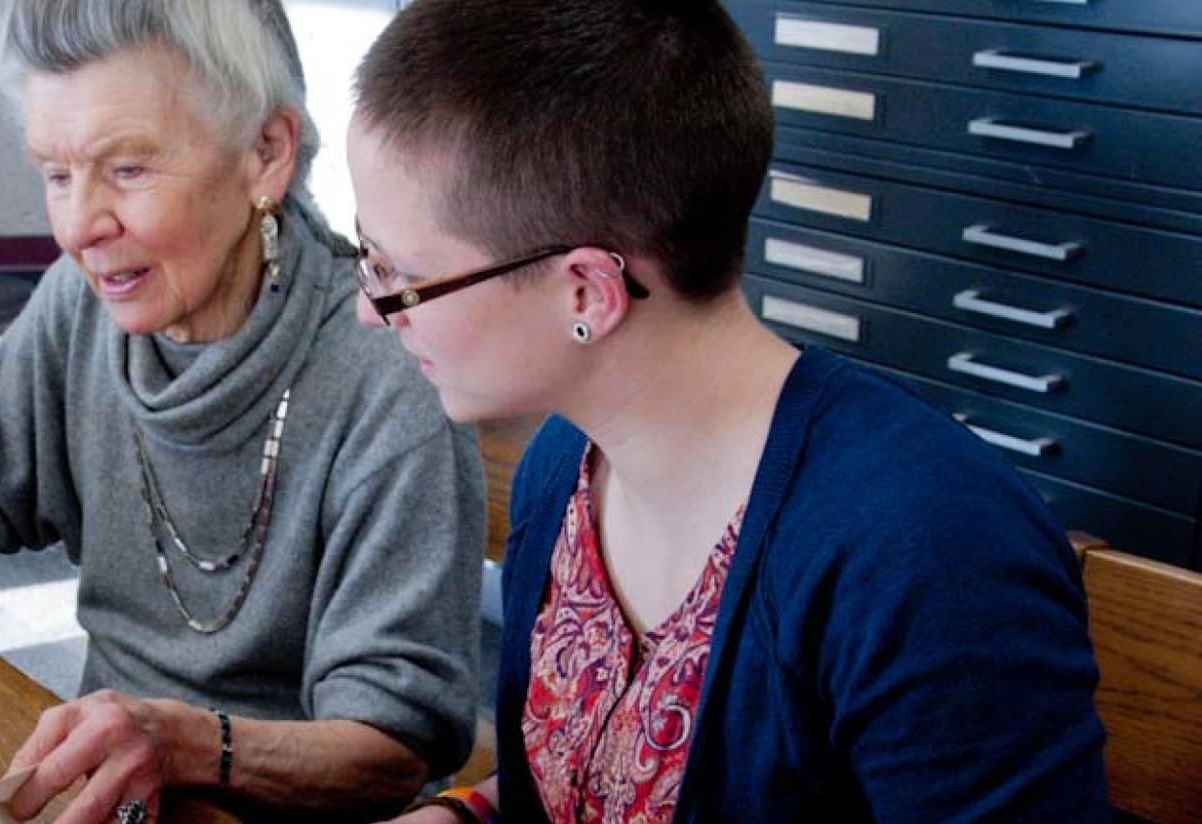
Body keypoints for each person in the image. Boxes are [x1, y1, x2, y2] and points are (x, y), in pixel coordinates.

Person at [344, 1, 1110, 822]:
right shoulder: (564, 465)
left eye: (399, 274)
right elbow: (591, 783)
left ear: (588, 292)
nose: (370, 309)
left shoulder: (932, 557)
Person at [0, 1, 483, 821]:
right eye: (57, 174)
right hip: (105, 793)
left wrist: (187, 744)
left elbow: (390, 750)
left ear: (265, 153)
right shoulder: (79, 307)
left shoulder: (385, 382)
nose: (78, 228)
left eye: (129, 169)